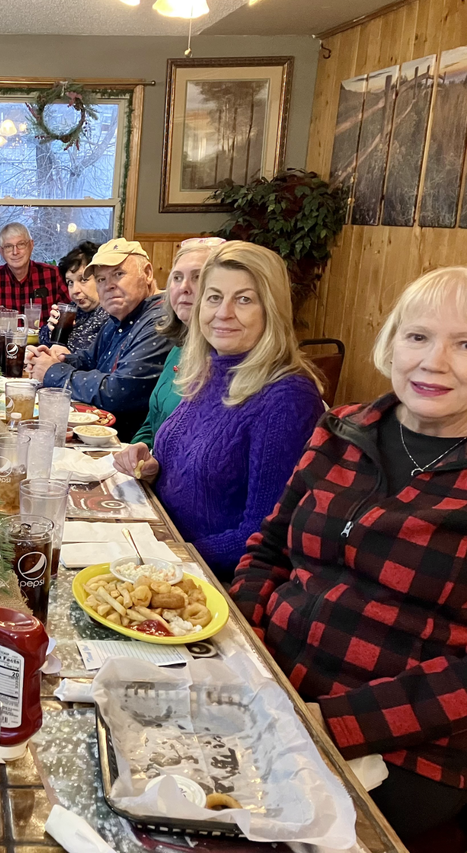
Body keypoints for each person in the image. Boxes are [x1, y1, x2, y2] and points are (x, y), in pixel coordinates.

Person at [231, 267, 467, 847]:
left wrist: (324, 724)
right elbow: (268, 548)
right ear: (391, 341)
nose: (434, 362)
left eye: (466, 344)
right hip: (270, 689)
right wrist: (239, 650)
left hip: (401, 746)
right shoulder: (343, 428)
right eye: (418, 337)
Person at [115, 242, 323, 579]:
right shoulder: (210, 367)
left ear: (271, 309)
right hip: (161, 546)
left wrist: (167, 557)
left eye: (244, 299)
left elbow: (263, 536)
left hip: (209, 580)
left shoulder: (287, 398)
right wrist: (153, 465)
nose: (223, 312)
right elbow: (196, 474)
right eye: (213, 297)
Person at [29, 238, 173, 440]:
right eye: (101, 279)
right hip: (99, 437)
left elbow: (118, 393)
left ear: (148, 273)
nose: (108, 286)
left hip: (129, 447)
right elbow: (90, 360)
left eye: (118, 274)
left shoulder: (160, 321)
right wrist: (59, 358)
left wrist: (53, 371)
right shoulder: (121, 315)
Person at [126, 237, 225, 449]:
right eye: (177, 278)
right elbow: (152, 422)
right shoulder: (179, 349)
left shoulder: (224, 359)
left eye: (198, 277)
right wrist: (137, 451)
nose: (184, 288)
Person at [0, 222, 70, 318]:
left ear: (31, 245)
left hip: (44, 333)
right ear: (1, 251)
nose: (15, 252)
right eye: (8, 247)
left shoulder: (53, 275)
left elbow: (72, 313)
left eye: (21, 244)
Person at [37, 240, 107, 355]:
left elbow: (86, 356)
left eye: (83, 280)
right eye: (70, 282)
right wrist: (51, 330)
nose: (75, 290)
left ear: (102, 279)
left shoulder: (111, 316)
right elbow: (42, 340)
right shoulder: (73, 308)